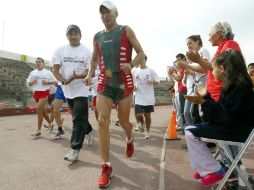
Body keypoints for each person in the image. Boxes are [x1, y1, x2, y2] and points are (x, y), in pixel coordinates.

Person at [84, 1, 145, 188]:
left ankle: (129, 138)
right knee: (102, 120)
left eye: (108, 12)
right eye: (101, 13)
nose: (105, 15)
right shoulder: (97, 37)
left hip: (123, 82)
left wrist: (132, 64)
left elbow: (141, 53)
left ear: (115, 13)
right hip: (105, 83)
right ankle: (106, 167)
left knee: (125, 122)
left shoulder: (126, 30)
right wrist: (89, 73)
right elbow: (94, 59)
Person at [184, 50, 254, 186]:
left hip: (236, 131)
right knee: (191, 129)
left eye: (214, 68)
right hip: (233, 128)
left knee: (190, 131)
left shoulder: (238, 86)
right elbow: (222, 114)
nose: (212, 71)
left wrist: (204, 99)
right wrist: (205, 98)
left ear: (222, 69)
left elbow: (224, 116)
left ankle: (213, 169)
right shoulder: (236, 84)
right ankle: (208, 168)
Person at [52, 24, 94, 162]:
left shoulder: (86, 51)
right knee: (78, 116)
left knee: (77, 119)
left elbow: (90, 72)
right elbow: (55, 70)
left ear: (80, 35)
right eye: (71, 33)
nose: (73, 36)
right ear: (67, 36)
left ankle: (75, 149)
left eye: (76, 33)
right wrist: (63, 81)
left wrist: (76, 77)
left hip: (81, 88)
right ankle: (89, 130)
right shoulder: (60, 50)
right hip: (67, 89)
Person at [27, 57, 57, 137]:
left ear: (43, 63)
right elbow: (29, 83)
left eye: (40, 62)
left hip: (45, 92)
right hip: (36, 93)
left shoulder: (48, 72)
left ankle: (38, 131)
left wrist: (47, 82)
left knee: (38, 109)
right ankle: (51, 124)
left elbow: (55, 82)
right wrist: (32, 82)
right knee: (42, 111)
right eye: (36, 62)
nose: (38, 63)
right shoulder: (32, 73)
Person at [133, 55, 160, 139]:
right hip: (138, 97)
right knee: (138, 115)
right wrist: (133, 87)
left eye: (142, 59)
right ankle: (141, 123)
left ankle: (147, 132)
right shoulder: (134, 70)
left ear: (145, 60)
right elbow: (132, 81)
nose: (140, 61)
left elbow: (158, 81)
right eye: (139, 60)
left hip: (148, 97)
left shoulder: (150, 70)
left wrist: (152, 81)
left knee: (147, 115)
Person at [168, 54, 187, 133]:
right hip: (179, 90)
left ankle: (184, 128)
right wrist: (172, 73)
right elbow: (175, 79)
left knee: (183, 111)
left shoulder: (183, 68)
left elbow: (179, 78)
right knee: (181, 110)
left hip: (183, 90)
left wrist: (173, 72)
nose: (178, 62)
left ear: (183, 59)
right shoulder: (180, 69)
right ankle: (183, 127)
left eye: (179, 59)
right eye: (177, 60)